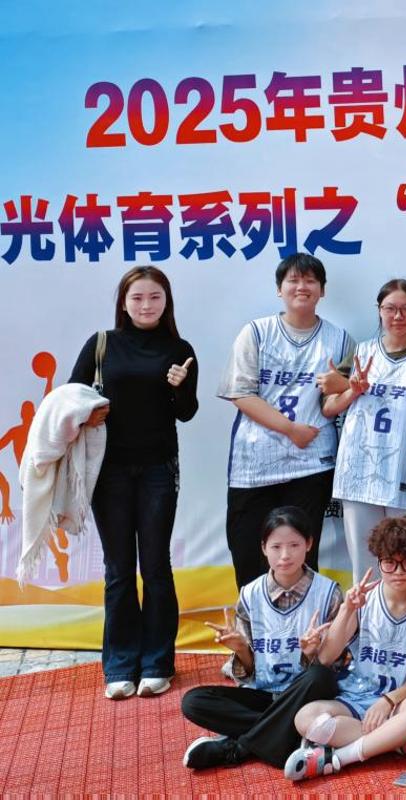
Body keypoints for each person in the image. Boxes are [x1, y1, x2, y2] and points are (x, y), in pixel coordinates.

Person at [69, 265, 198, 700]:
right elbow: (70, 398)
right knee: (118, 569)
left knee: (156, 566)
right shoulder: (102, 344)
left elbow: (186, 412)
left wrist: (180, 387)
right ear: (124, 303)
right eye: (137, 297)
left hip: (159, 469)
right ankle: (120, 665)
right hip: (109, 471)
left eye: (155, 297)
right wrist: (89, 414)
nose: (146, 305)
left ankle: (158, 663)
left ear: (167, 302)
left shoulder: (179, 349)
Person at [219, 253, 354, 588]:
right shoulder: (256, 332)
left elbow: (339, 401)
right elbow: (240, 393)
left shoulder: (340, 339)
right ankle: (254, 623)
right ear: (279, 289)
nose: (301, 287)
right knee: (249, 555)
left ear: (322, 289)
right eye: (293, 280)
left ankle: (305, 623)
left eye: (310, 281)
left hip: (311, 464)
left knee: (302, 557)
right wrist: (290, 429)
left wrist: (343, 386)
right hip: (255, 464)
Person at [181, 507, 342, 770]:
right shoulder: (250, 594)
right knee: (194, 702)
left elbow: (341, 665)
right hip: (264, 695)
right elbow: (249, 671)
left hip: (306, 697)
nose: (285, 555)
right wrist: (241, 650)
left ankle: (239, 747)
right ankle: (284, 736)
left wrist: (312, 653)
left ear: (309, 544)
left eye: (294, 545)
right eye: (276, 547)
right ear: (264, 548)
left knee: (319, 676)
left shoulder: (329, 593)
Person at [284, 516, 406, 780]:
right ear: (378, 562)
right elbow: (326, 657)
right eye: (389, 562)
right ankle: (396, 740)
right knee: (305, 718)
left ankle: (342, 757)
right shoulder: (363, 599)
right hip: (355, 698)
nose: (398, 571)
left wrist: (389, 700)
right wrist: (347, 610)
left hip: (398, 703)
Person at [325, 278, 406, 583]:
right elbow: (328, 407)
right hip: (358, 471)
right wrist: (353, 390)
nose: (398, 316)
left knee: (405, 565)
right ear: (379, 310)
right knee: (365, 569)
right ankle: (364, 615)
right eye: (390, 308)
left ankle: (405, 616)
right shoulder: (362, 352)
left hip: (403, 473)